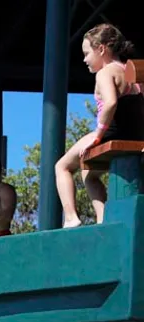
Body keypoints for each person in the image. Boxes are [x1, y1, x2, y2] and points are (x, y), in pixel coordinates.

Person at [57, 24, 143, 228]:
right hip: (135, 133)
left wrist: (98, 133)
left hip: (113, 132)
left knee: (61, 166)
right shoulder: (132, 71)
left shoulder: (105, 73)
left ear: (101, 49)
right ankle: (102, 217)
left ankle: (71, 217)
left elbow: (111, 103)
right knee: (88, 173)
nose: (85, 59)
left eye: (87, 53)